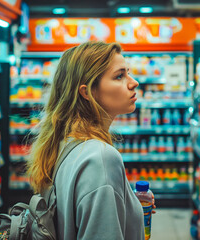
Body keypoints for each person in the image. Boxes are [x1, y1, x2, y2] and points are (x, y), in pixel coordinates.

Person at [26, 41, 155, 240]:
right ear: (87, 92)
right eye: (119, 76)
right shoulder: (101, 158)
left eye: (128, 73)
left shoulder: (63, 143)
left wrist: (127, 203)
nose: (133, 82)